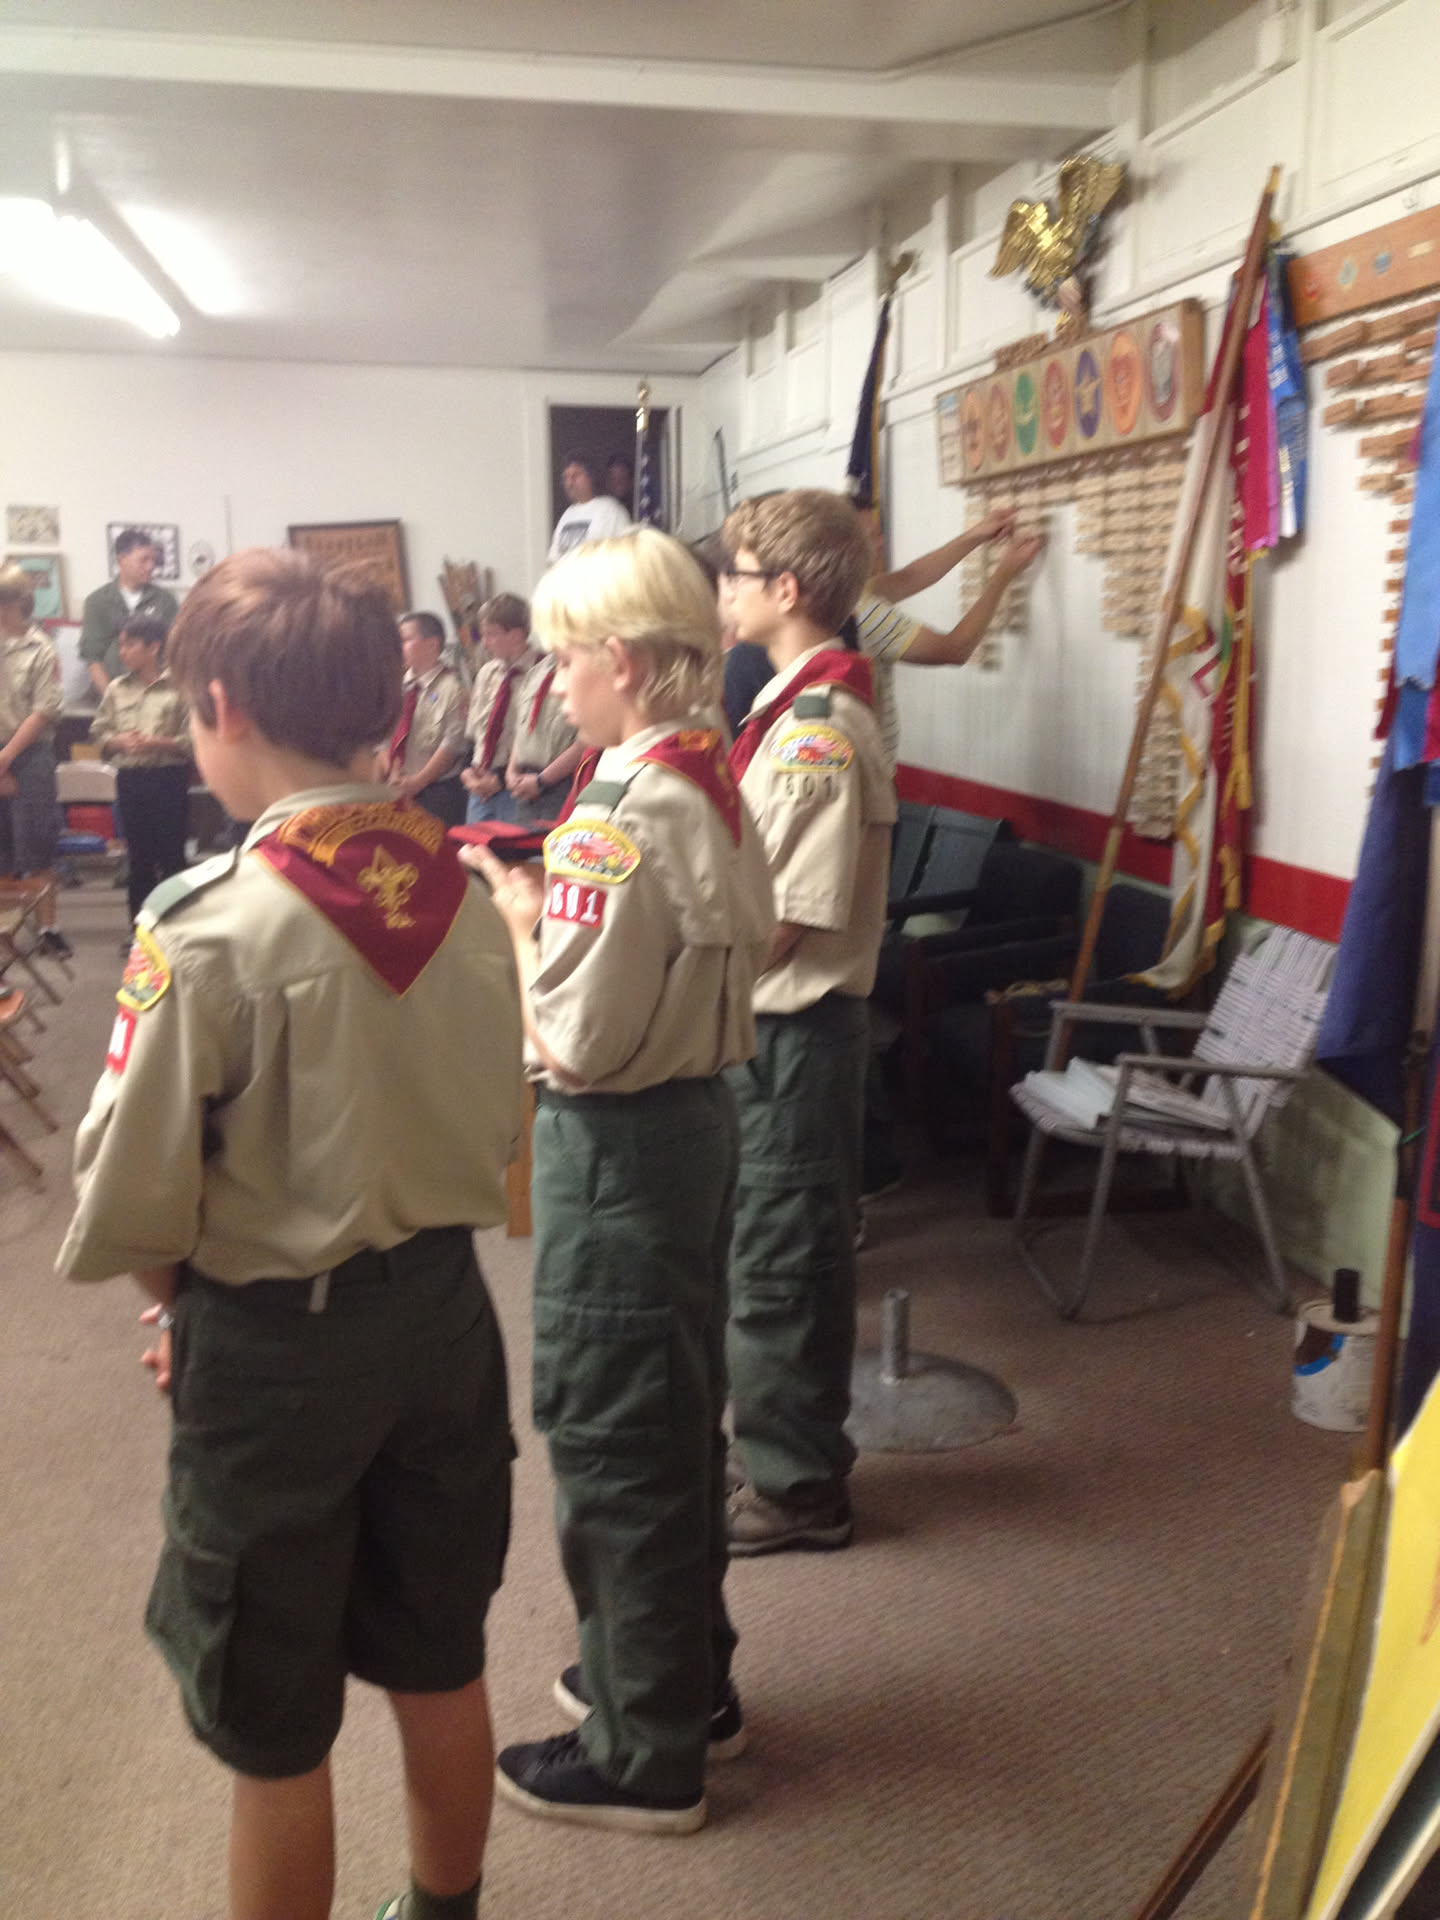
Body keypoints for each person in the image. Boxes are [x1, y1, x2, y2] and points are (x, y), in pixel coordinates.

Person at [56, 548, 524, 1920]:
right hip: (444, 1318)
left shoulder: (207, 926)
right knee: (440, 1655)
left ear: (219, 706)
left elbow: (140, 1194)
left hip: (276, 1351)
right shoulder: (467, 893)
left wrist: (170, 1306)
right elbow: (502, 1119)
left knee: (274, 1720)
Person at [462, 528, 774, 1835]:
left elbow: (579, 1045)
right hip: (693, 1120)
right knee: (677, 1411)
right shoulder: (710, 775)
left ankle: (646, 1753)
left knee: (614, 1435)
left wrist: (521, 929)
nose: (557, 680)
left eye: (570, 657)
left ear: (629, 664)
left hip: (620, 1144)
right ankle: (681, 1677)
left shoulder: (616, 815)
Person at [717, 490, 897, 1555]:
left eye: (736, 575)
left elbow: (785, 921)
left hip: (794, 1031)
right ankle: (781, 1445)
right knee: (765, 1253)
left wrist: (676, 989)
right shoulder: (788, 710)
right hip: (771, 1032)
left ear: (785, 590)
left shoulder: (820, 731)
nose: (723, 593)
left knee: (783, 1265)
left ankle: (796, 1487)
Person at [853, 505, 1045, 771]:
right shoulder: (862, 613)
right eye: (871, 536)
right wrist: (1003, 575)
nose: (881, 542)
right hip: (868, 779)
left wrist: (976, 535)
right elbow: (955, 649)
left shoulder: (843, 594)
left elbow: (909, 578)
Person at [90, 614, 192, 934]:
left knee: (172, 857)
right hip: (131, 781)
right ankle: (140, 932)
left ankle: (176, 932)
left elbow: (193, 741)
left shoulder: (180, 688)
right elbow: (99, 733)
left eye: (131, 645)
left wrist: (155, 742)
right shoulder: (116, 689)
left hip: (169, 779)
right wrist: (117, 742)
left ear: (154, 647)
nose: (123, 652)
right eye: (121, 645)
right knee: (139, 859)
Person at [0, 562, 69, 957]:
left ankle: (48, 929)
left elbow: (45, 710)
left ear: (14, 605)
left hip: (30, 755)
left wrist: (7, 757)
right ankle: (6, 929)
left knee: (38, 847)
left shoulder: (40, 648)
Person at [460, 593, 539, 825]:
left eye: (491, 634)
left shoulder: (542, 671)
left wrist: (502, 781)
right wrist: (467, 771)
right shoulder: (487, 673)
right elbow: (475, 731)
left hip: (518, 786)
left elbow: (538, 741)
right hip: (480, 783)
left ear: (516, 635)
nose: (484, 643)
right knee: (473, 845)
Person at [385, 610, 468, 827]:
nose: (398, 647)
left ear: (432, 644)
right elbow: (386, 738)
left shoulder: (453, 689)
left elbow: (451, 745)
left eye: (405, 640)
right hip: (397, 788)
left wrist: (417, 782)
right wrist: (393, 776)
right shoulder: (396, 687)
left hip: (436, 792)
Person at [79, 529, 179, 697]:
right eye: (143, 560)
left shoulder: (165, 600)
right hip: (111, 692)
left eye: (153, 560)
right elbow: (93, 658)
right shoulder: (97, 602)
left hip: (155, 693)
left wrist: (164, 695)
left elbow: (175, 652)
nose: (150, 566)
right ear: (122, 560)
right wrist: (112, 701)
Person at [504, 650, 585, 827]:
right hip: (525, 783)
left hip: (563, 783)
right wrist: (511, 772)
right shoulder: (537, 671)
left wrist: (542, 781)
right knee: (522, 842)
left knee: (555, 841)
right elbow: (523, 728)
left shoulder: (584, 670)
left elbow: (587, 741)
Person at [547, 453, 633, 562]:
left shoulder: (611, 510)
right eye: (566, 478)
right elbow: (554, 557)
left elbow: (625, 555)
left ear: (590, 477)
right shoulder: (567, 515)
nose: (569, 483)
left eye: (575, 476)